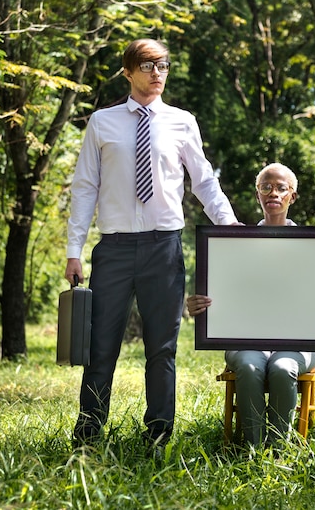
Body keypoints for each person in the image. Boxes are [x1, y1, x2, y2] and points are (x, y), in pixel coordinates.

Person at [65, 38, 239, 450]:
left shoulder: (182, 121)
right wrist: (74, 250)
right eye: (147, 66)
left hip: (164, 249)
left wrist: (232, 228)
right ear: (128, 71)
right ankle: (88, 437)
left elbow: (204, 181)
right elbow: (85, 187)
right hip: (114, 250)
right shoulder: (102, 123)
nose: (157, 74)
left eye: (163, 66)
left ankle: (158, 435)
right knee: (100, 348)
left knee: (161, 350)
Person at [187, 162, 315, 447]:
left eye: (281, 188)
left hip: (301, 343)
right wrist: (199, 308)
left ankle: (278, 448)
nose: (273, 193)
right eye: (266, 187)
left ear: (293, 195)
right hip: (246, 340)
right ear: (257, 195)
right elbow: (223, 294)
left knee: (283, 366)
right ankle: (253, 449)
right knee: (249, 364)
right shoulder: (233, 245)